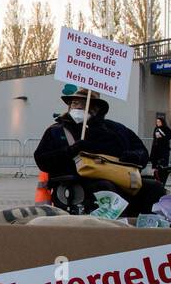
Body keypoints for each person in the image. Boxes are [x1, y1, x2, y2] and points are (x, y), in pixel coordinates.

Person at [33, 83, 161, 213]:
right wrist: (70, 151)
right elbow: (42, 160)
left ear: (96, 108)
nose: (77, 107)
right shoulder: (56, 131)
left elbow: (142, 152)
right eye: (74, 103)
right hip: (78, 184)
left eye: (83, 104)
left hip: (119, 178)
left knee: (154, 188)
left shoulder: (116, 129)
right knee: (105, 188)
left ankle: (148, 229)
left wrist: (133, 157)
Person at [149, 115, 171, 185]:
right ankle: (156, 177)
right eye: (157, 122)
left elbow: (169, 137)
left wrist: (162, 137)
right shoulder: (156, 129)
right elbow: (154, 138)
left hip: (163, 149)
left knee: (163, 165)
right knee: (155, 164)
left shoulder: (166, 129)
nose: (158, 123)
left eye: (159, 121)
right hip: (156, 149)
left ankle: (162, 179)